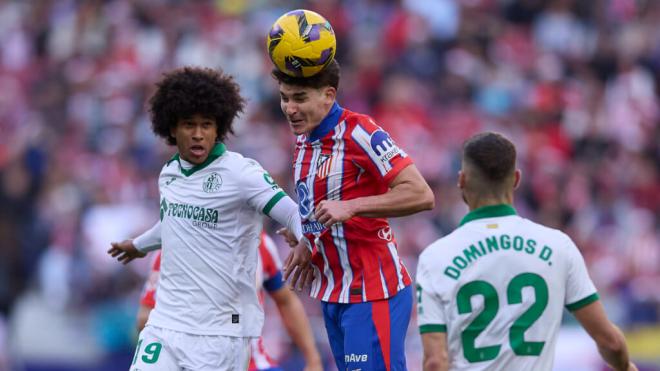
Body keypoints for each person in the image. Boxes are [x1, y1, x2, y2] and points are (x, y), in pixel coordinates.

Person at [107, 66, 305, 371]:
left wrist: (305, 241)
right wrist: (138, 246)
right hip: (167, 321)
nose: (198, 134)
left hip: (221, 331)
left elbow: (292, 213)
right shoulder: (170, 173)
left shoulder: (241, 174)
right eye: (189, 124)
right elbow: (173, 224)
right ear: (172, 128)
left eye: (207, 125)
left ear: (219, 128)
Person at [416, 132, 637, 371]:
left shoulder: (435, 257)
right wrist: (625, 367)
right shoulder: (557, 246)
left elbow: (435, 361)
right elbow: (610, 342)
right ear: (517, 179)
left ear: (461, 180)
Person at [273, 59, 435, 371]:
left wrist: (353, 206)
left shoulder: (360, 131)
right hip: (334, 293)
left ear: (329, 95)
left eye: (300, 98)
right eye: (285, 97)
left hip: (373, 291)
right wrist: (307, 239)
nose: (290, 108)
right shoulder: (303, 140)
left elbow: (421, 194)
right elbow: (325, 205)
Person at [135, 233, 323, 371]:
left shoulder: (260, 244)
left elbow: (286, 301)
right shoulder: (171, 251)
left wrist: (313, 360)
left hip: (254, 365)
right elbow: (144, 319)